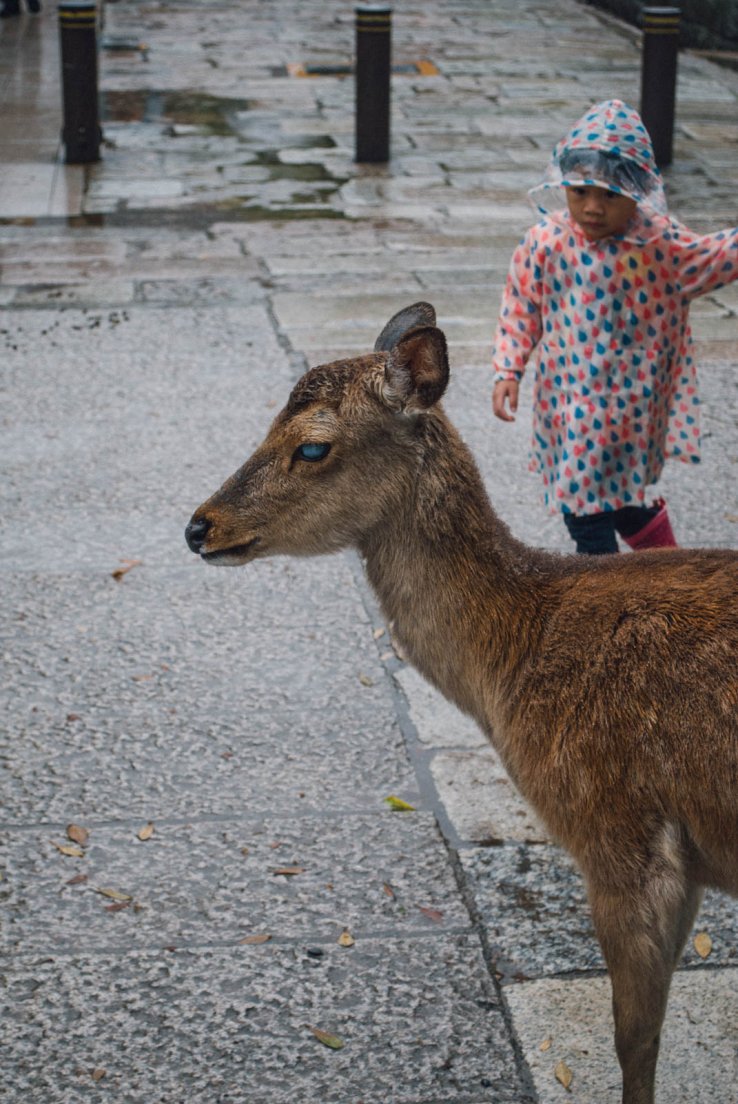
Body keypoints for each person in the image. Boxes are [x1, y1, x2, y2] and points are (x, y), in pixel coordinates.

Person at [491, 99, 738, 554]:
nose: (592, 208)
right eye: (580, 191)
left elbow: (714, 257)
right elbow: (522, 304)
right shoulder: (546, 243)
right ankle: (661, 572)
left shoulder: (658, 245)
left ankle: (615, 590)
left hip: (627, 410)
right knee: (596, 507)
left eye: (610, 195)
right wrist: (508, 368)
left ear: (638, 192)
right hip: (568, 408)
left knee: (605, 506)